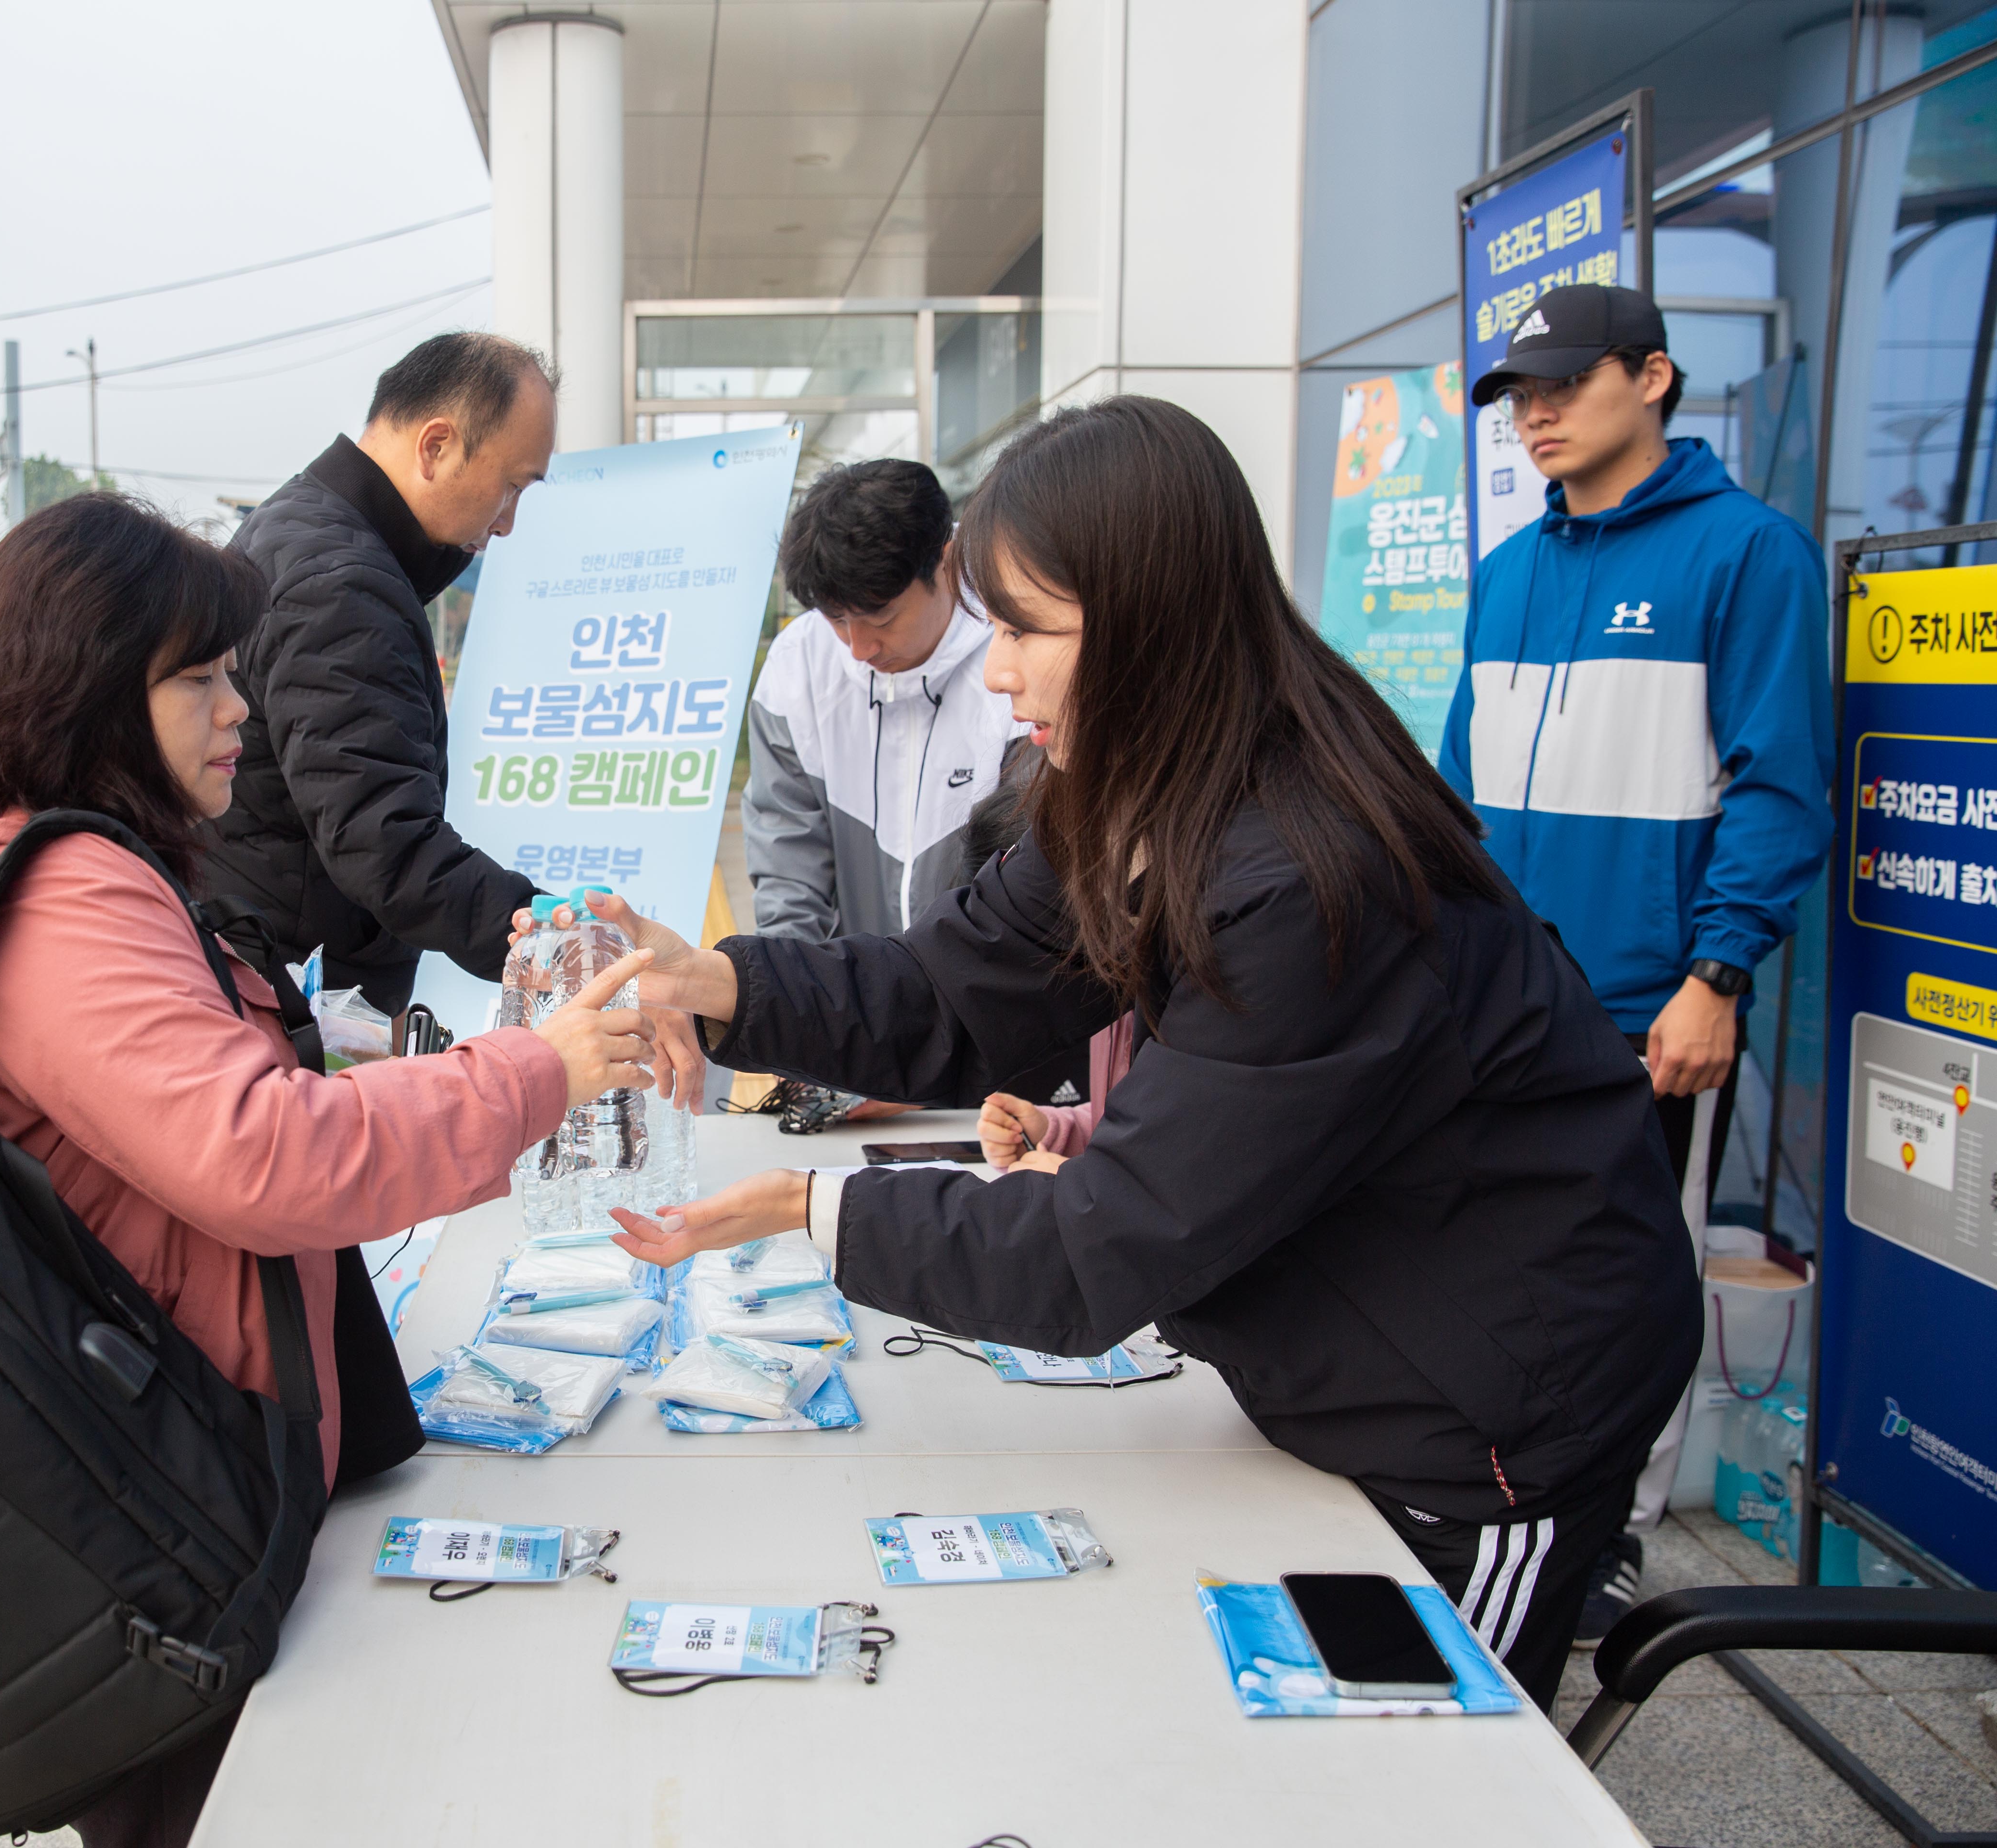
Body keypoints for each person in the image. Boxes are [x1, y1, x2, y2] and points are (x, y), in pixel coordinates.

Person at [588, 396, 1701, 1711]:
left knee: (1418, 1778)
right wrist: (716, 982)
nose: (997, 674)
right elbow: (953, 991)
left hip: (1491, 1421)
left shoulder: (1307, 877)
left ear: (1150, 620)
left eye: (1024, 631)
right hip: (1343, 1350)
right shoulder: (1137, 785)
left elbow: (1101, 1249)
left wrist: (808, 1207)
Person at [0, 494, 652, 1847]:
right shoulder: (69, 900)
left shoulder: (70, 874)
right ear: (92, 690)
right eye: (203, 679)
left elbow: (223, 1111)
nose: (242, 714)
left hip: (144, 1473)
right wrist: (541, 1071)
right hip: (161, 1505)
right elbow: (263, 1152)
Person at [1443, 283, 1832, 1643]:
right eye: (1519, 396)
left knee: (1634, 1281)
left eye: (1564, 384)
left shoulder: (1748, 555)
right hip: (1494, 1006)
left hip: (1643, 1011)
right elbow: (1456, 796)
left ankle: (1615, 1529)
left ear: (1653, 376)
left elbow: (1782, 788)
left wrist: (1716, 974)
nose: (1536, 413)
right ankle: (1503, 1494)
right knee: (1494, 1260)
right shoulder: (1510, 572)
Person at [210, 331, 560, 1014]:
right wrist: (558, 945)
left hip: (271, 955)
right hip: (298, 994)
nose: (509, 522)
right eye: (511, 486)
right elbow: (388, 846)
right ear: (436, 446)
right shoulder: (342, 585)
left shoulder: (301, 529)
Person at [739, 458, 1029, 1129]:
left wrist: (935, 1053)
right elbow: (788, 874)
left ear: (947, 561)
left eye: (881, 617)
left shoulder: (1017, 661)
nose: (859, 647)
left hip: (998, 1053)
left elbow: (1025, 912)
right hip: (856, 1049)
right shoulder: (799, 668)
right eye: (837, 621)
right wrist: (802, 1025)